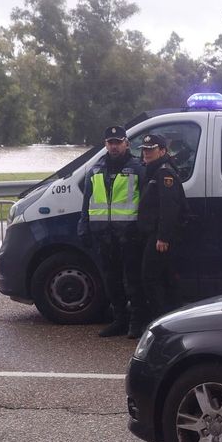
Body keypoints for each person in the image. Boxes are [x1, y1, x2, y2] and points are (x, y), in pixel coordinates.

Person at [79, 125, 145, 337]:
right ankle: (120, 321)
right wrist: (84, 227)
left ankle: (136, 322)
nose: (114, 146)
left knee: (133, 281)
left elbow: (146, 203)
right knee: (111, 280)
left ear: (126, 143)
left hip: (129, 235)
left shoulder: (138, 168)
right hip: (104, 236)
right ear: (106, 144)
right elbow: (87, 202)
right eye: (110, 143)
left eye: (118, 142)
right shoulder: (96, 169)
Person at [134, 134, 187, 331]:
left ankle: (159, 324)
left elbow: (169, 207)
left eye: (151, 149)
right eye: (144, 149)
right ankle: (171, 320)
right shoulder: (154, 170)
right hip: (154, 235)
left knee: (150, 277)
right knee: (166, 278)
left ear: (162, 151)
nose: (146, 153)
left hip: (160, 237)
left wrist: (163, 237)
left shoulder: (164, 174)